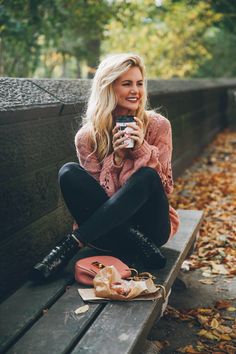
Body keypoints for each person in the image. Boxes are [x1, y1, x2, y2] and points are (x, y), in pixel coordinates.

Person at [32, 53, 180, 281]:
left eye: (139, 83)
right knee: (68, 172)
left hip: (152, 231)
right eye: (127, 83)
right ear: (109, 87)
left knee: (148, 176)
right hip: (108, 236)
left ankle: (71, 243)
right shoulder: (87, 137)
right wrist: (117, 159)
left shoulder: (158, 126)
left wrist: (141, 148)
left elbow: (162, 187)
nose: (136, 91)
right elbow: (102, 202)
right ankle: (135, 242)